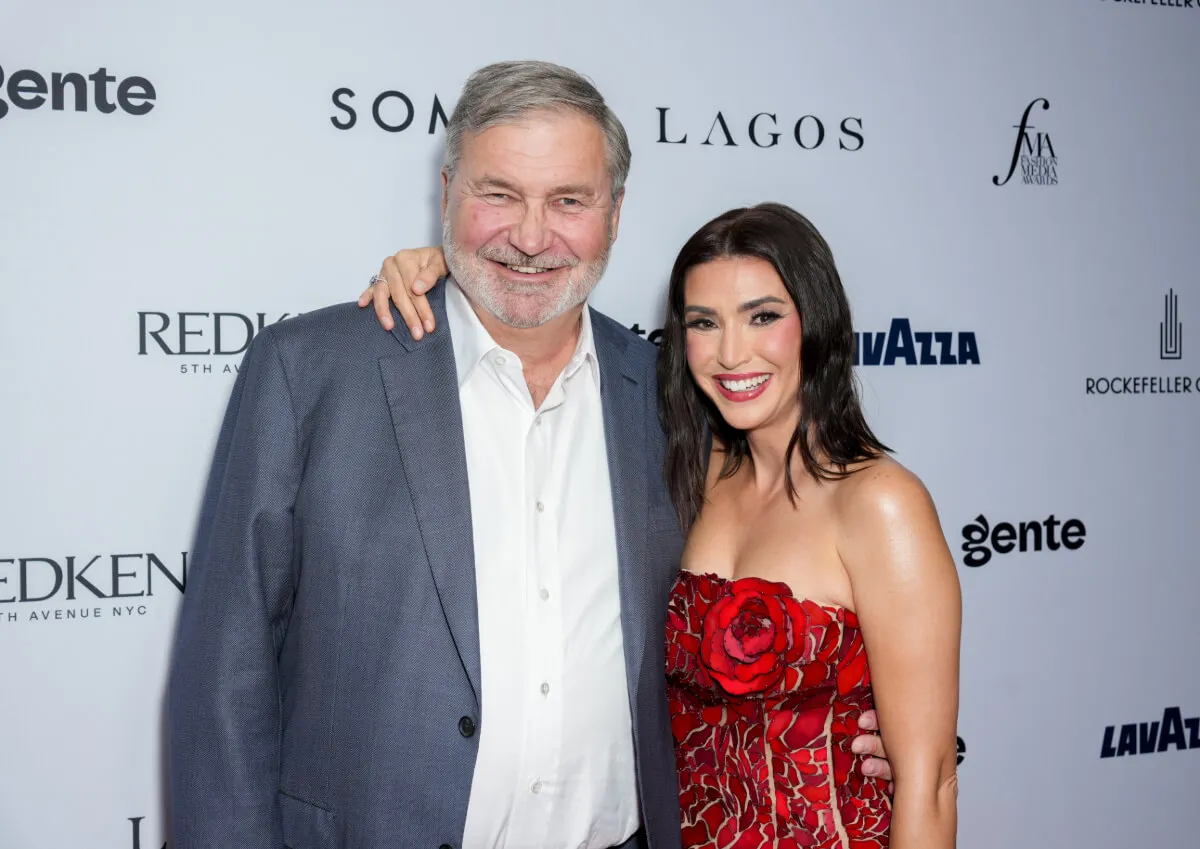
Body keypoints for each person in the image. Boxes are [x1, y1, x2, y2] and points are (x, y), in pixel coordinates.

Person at [168, 59, 892, 849]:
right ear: (447, 192)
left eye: (569, 201)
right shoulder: (308, 371)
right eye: (499, 194)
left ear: (614, 214)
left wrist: (888, 738)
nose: (532, 235)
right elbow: (222, 680)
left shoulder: (674, 396)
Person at [358, 201, 960, 849]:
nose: (732, 353)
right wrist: (449, 268)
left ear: (816, 321)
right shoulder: (683, 473)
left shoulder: (880, 503)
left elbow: (929, 782)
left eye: (763, 316)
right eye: (705, 322)